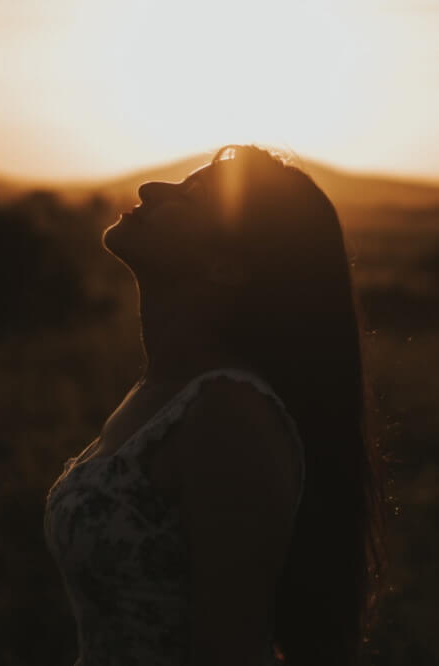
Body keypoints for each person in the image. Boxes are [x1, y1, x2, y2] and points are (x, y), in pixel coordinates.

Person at [44, 144, 390, 666]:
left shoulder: (227, 416)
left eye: (190, 196)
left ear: (227, 267)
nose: (149, 189)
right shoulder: (163, 392)